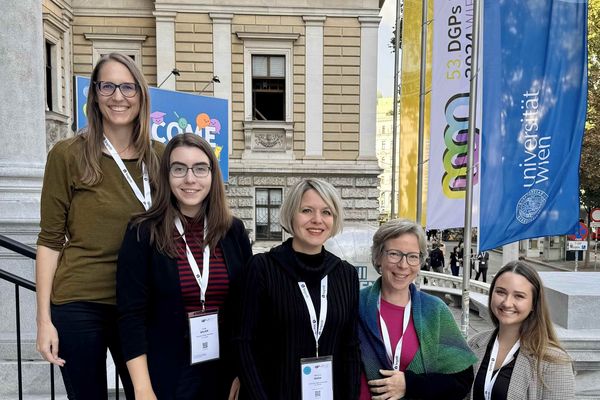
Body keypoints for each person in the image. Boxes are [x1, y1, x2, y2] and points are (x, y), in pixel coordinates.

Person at [35, 53, 163, 399]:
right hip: (80, 301)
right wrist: (43, 321)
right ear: (94, 94)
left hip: (140, 303)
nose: (118, 96)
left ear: (141, 95)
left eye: (127, 87)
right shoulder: (67, 154)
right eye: (107, 86)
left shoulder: (162, 158)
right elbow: (49, 241)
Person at [116, 133, 252, 399]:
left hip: (222, 374)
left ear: (213, 175)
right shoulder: (143, 232)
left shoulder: (232, 231)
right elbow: (131, 317)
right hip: (165, 374)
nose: (190, 179)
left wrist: (241, 371)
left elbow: (246, 310)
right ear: (167, 175)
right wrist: (142, 387)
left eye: (200, 168)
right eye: (179, 169)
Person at [238, 178, 360, 399]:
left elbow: (350, 349)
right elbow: (244, 344)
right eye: (307, 210)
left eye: (326, 212)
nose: (317, 220)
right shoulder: (263, 268)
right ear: (291, 214)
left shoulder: (346, 275)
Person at [359, 219, 477, 400]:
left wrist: (410, 385)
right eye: (394, 254)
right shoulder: (355, 305)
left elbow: (462, 379)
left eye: (412, 256)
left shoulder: (435, 311)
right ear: (378, 257)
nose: (403, 265)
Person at [468, 261, 575, 399]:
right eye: (500, 292)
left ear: (533, 304)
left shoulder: (554, 361)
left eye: (519, 296)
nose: (506, 303)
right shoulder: (474, 344)